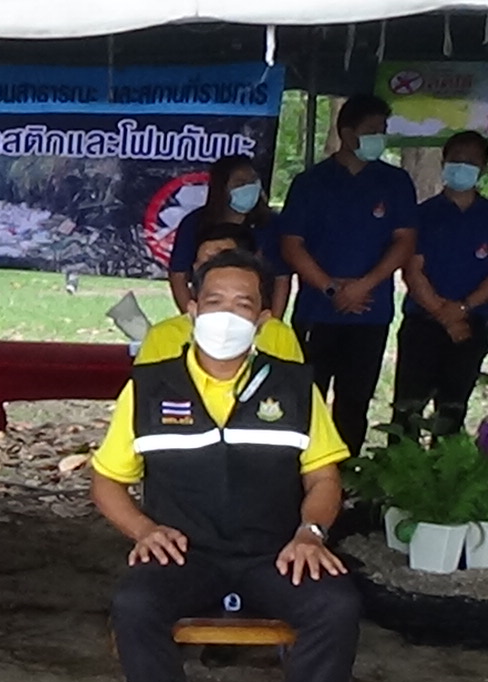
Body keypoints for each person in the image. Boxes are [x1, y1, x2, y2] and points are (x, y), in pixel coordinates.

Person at [90, 250, 358, 682]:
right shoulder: (149, 387)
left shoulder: (293, 386)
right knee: (134, 605)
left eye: (242, 305)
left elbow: (324, 478)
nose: (226, 315)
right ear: (191, 309)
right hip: (184, 554)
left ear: (263, 318)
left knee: (335, 605)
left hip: (274, 553)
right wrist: (142, 530)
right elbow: (108, 480)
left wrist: (310, 533)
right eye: (214, 302)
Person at [279, 94, 420, 454]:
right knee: (306, 400)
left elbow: (405, 242)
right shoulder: (311, 182)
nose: (379, 138)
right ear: (346, 133)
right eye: (372, 130)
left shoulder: (395, 181)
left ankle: (348, 473)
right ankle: (302, 472)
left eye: (383, 130)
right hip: (317, 311)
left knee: (355, 403)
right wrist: (330, 288)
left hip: (370, 313)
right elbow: (292, 245)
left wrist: (362, 286)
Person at [396, 129, 488, 439]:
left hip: (472, 325)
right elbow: (413, 271)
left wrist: (463, 309)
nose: (462, 166)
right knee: (407, 411)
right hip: (422, 323)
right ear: (444, 162)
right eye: (456, 159)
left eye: (471, 161)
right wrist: (444, 315)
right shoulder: (422, 215)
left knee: (452, 411)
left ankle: (442, 471)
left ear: (483, 168)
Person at [138, 223, 303, 364]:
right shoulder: (163, 336)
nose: (212, 270)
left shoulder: (278, 335)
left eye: (223, 260)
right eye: (204, 263)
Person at [168, 155, 291, 315]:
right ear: (222, 188)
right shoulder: (194, 223)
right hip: (209, 311)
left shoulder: (271, 224)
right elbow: (178, 276)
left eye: (253, 181)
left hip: (255, 311)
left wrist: (272, 321)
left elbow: (282, 278)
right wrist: (192, 317)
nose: (249, 187)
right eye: (240, 183)